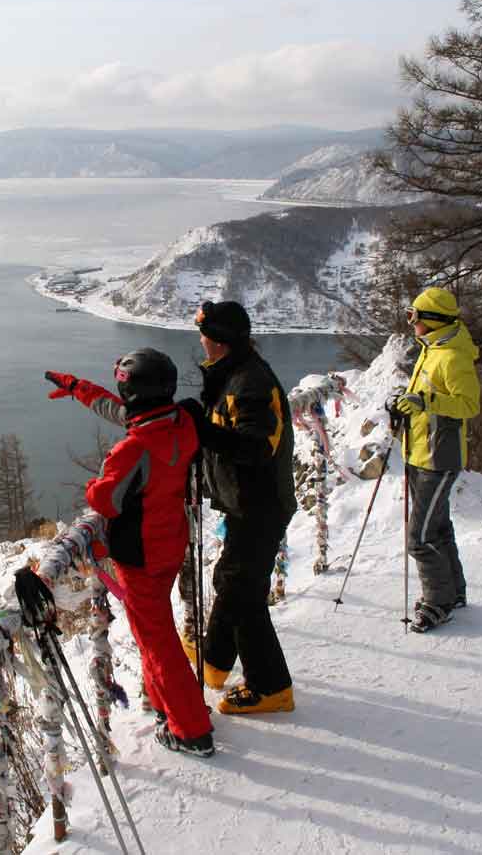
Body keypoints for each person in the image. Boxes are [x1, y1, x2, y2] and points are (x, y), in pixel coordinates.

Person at [44, 349, 215, 758]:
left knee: (158, 642)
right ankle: (164, 707)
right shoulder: (181, 424)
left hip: (140, 557)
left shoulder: (134, 448)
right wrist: (76, 388)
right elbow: (119, 409)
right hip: (171, 541)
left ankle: (193, 731)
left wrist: (95, 481)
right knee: (154, 632)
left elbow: (104, 500)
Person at [182, 300, 296, 715]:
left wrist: (204, 433)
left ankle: (271, 687)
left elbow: (256, 446)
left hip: (261, 504)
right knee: (231, 580)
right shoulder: (234, 374)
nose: (201, 341)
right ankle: (214, 662)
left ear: (221, 341)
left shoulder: (250, 383)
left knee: (242, 593)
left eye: (206, 336)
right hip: (247, 503)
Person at [393, 286, 481, 633]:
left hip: (439, 457)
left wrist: (425, 402)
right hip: (419, 452)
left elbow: (469, 405)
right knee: (439, 528)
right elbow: (424, 398)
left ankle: (438, 603)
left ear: (430, 321)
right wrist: (406, 404)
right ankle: (454, 592)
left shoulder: (453, 357)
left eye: (414, 316)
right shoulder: (432, 350)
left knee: (420, 536)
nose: (411, 322)